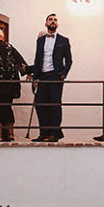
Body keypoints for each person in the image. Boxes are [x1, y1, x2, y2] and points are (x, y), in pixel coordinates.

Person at [27, 13, 72, 143]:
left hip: (55, 76)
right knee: (40, 105)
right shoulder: (40, 41)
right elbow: (38, 59)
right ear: (46, 23)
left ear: (57, 24)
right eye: (50, 19)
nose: (53, 21)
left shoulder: (64, 40)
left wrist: (63, 74)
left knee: (55, 105)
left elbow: (69, 60)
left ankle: (54, 133)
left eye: (55, 20)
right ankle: (43, 132)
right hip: (42, 77)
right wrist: (35, 77)